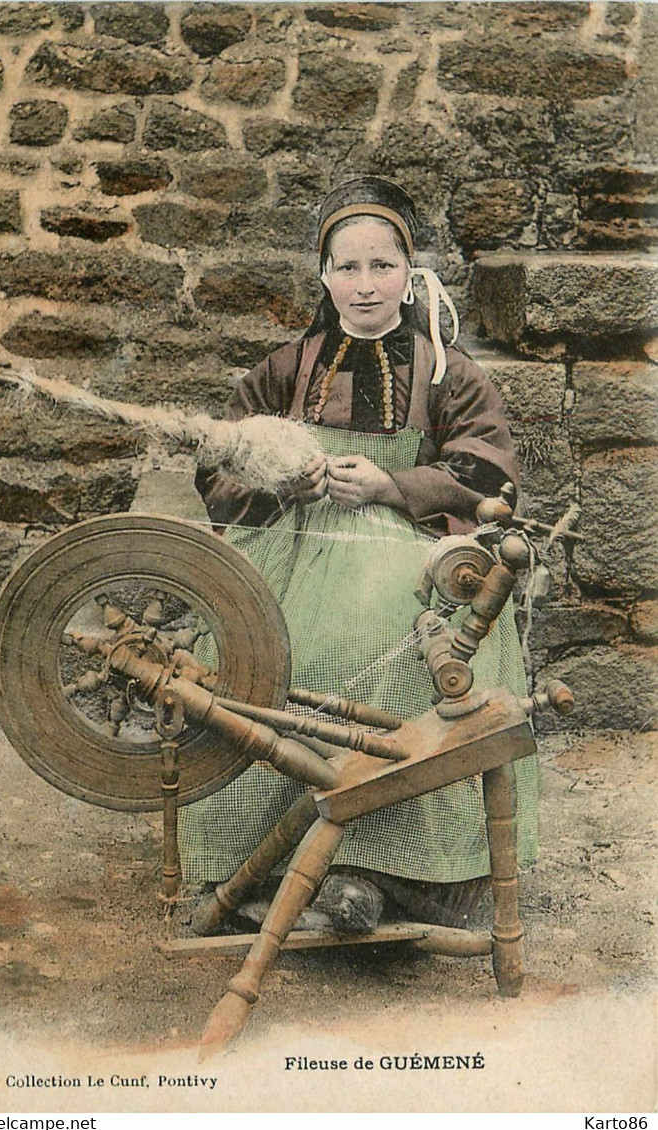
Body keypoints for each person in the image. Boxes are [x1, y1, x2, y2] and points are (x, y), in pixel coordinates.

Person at [178, 176, 537, 933]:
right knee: (264, 646)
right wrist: (281, 477)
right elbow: (218, 468)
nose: (365, 285)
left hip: (402, 545)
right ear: (323, 277)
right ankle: (258, 866)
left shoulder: (445, 372)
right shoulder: (285, 369)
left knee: (395, 640)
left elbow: (488, 473)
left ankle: (381, 874)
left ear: (410, 275)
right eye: (347, 268)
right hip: (293, 544)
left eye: (382, 266)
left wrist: (390, 483)